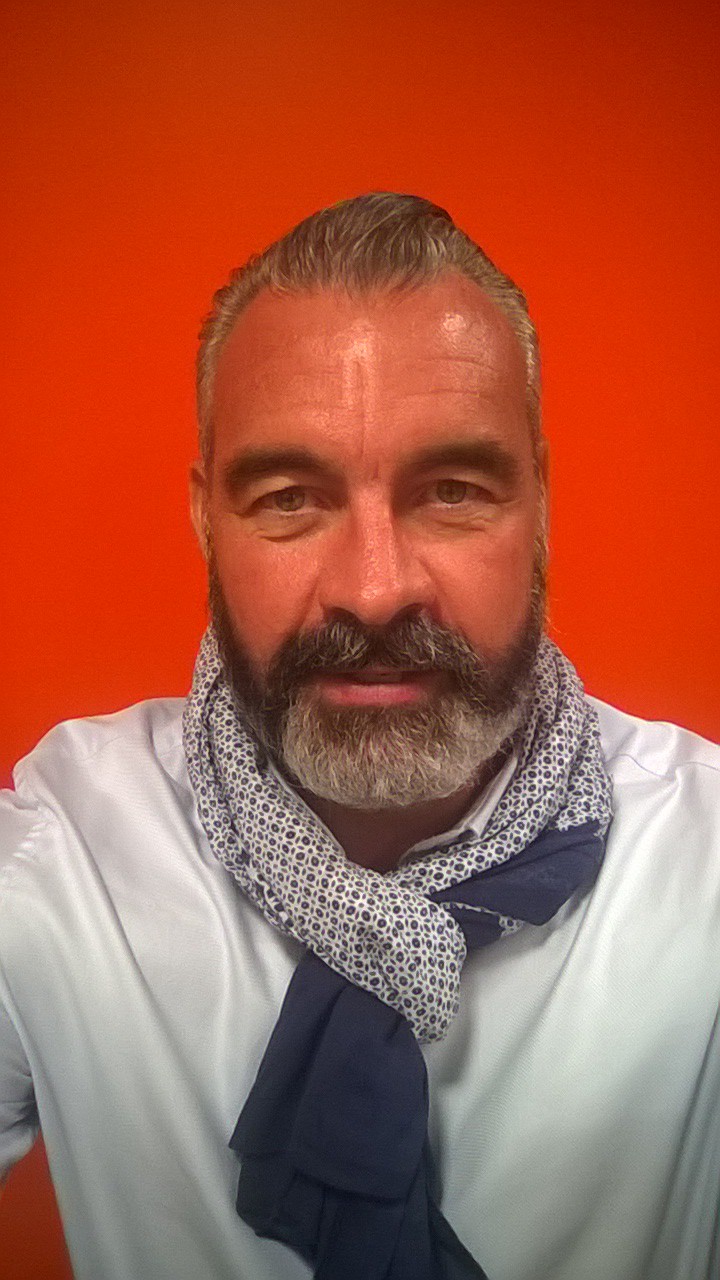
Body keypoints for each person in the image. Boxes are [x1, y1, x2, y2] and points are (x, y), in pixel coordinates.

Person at [1, 193, 718, 1280]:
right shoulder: (61, 860)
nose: (375, 590)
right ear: (204, 519)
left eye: (452, 490)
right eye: (290, 497)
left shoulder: (705, 868)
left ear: (540, 501)